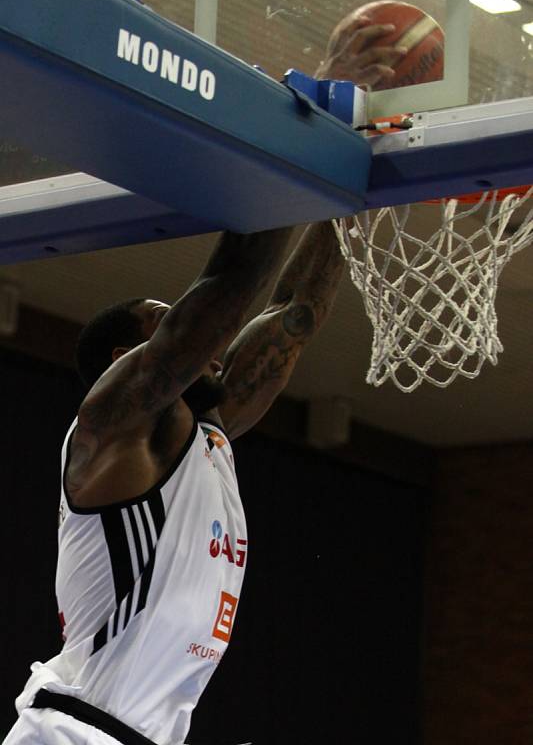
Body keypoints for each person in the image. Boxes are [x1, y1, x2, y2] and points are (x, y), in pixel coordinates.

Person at [5, 221, 348, 745]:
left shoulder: (209, 435)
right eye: (166, 323)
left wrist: (344, 208)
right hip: (75, 730)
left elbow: (293, 315)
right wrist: (278, 185)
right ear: (125, 362)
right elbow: (226, 292)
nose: (216, 346)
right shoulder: (107, 432)